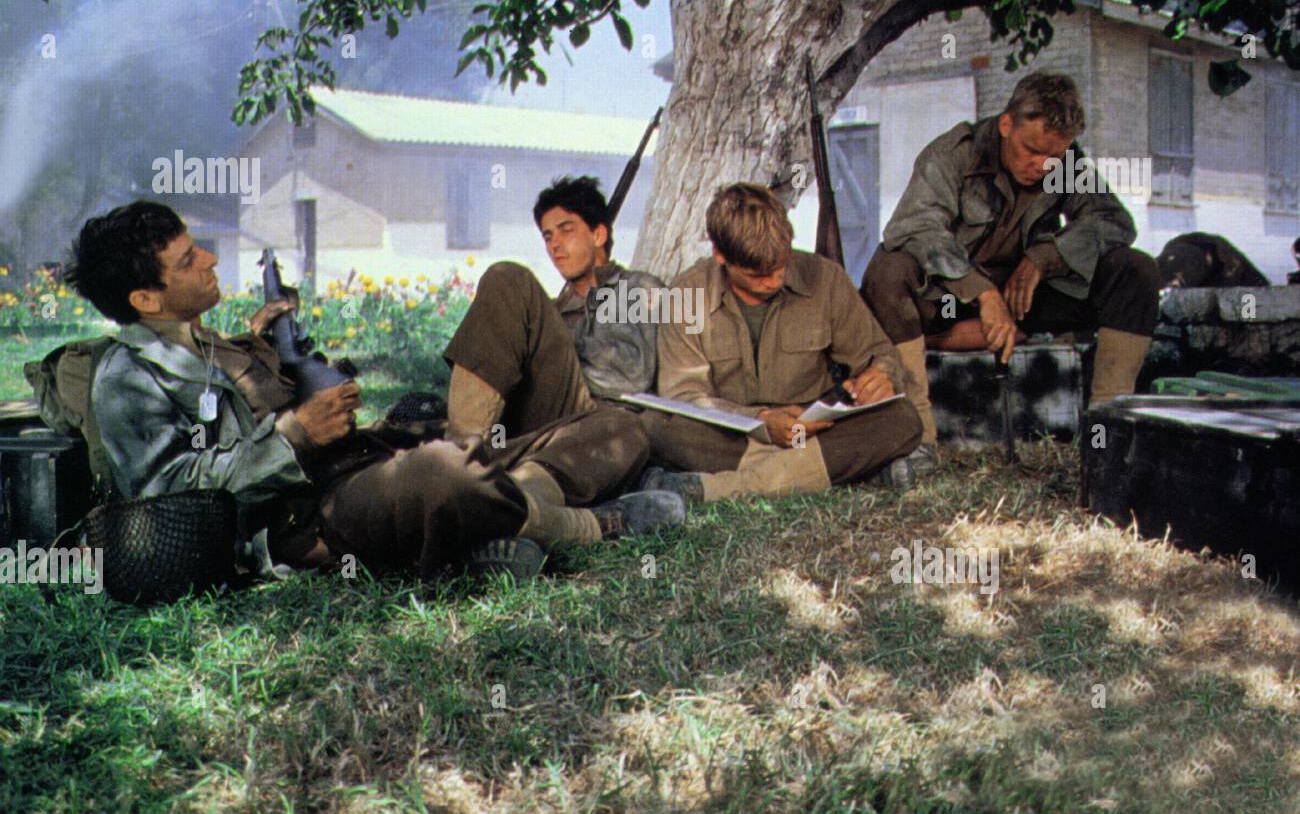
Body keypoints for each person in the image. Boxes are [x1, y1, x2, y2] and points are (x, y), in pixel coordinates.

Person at [65, 202, 683, 582]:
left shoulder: (211, 342)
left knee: (621, 425)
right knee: (444, 472)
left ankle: (494, 522)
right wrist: (295, 435)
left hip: (367, 457)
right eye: (185, 260)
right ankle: (588, 526)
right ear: (144, 300)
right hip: (306, 510)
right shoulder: (127, 376)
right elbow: (166, 494)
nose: (206, 258)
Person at [860, 72, 1160, 468]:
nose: (1042, 165)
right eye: (1031, 150)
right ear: (1006, 125)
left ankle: (1109, 434)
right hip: (951, 301)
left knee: (1134, 269)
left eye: (1054, 156)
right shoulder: (955, 154)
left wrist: (1046, 257)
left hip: (1025, 302)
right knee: (888, 270)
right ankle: (917, 440)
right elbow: (913, 227)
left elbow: (1114, 222)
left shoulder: (1066, 163)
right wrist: (981, 291)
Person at [638, 183, 922, 503]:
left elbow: (878, 354)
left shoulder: (826, 278)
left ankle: (717, 488)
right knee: (655, 426)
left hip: (812, 432)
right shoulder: (686, 294)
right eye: (758, 274)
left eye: (781, 267)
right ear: (720, 255)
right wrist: (761, 421)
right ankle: (831, 472)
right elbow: (683, 396)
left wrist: (881, 375)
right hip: (736, 436)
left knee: (901, 419)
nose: (774, 281)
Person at [442, 176, 667, 517]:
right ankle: (458, 463)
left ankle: (488, 487)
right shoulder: (550, 308)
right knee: (507, 284)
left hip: (596, 422)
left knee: (510, 278)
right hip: (537, 426)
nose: (555, 245)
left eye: (566, 230)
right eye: (548, 236)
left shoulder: (636, 289)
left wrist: (550, 350)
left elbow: (625, 379)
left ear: (598, 234)